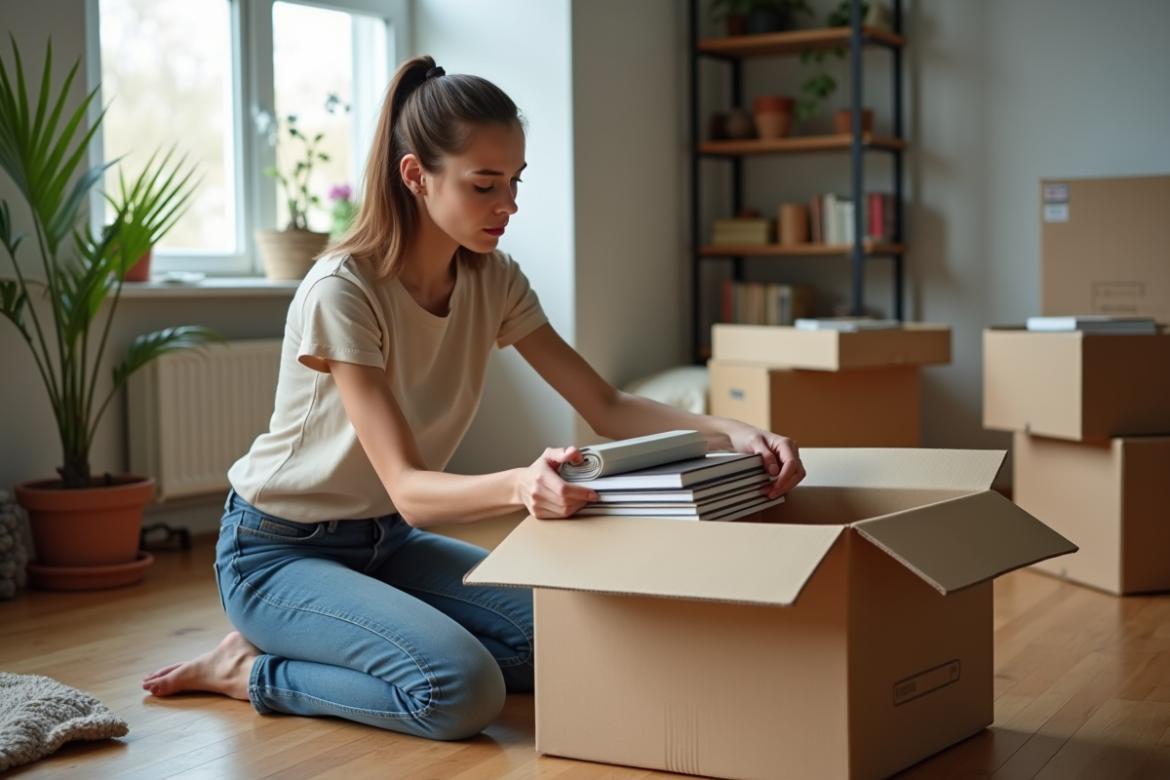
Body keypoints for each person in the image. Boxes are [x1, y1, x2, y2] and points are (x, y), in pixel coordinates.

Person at [142, 55, 805, 741]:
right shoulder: (342, 290)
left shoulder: (495, 279)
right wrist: (523, 485)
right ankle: (249, 671)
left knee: (566, 644)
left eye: (515, 183)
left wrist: (735, 433)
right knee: (459, 691)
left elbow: (604, 404)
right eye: (485, 185)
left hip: (387, 544)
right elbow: (408, 487)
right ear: (415, 177)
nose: (508, 206)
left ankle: (356, 636)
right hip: (277, 553)